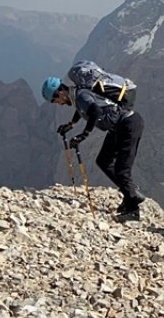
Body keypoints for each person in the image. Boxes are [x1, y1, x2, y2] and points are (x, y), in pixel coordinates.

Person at [42, 76, 145, 216]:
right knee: (103, 160)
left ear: (60, 93)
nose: (58, 104)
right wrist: (71, 125)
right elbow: (82, 109)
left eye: (55, 100)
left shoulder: (80, 95)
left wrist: (84, 134)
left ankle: (133, 210)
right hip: (119, 127)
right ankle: (130, 193)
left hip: (129, 125)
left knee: (122, 170)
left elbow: (94, 110)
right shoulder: (78, 95)